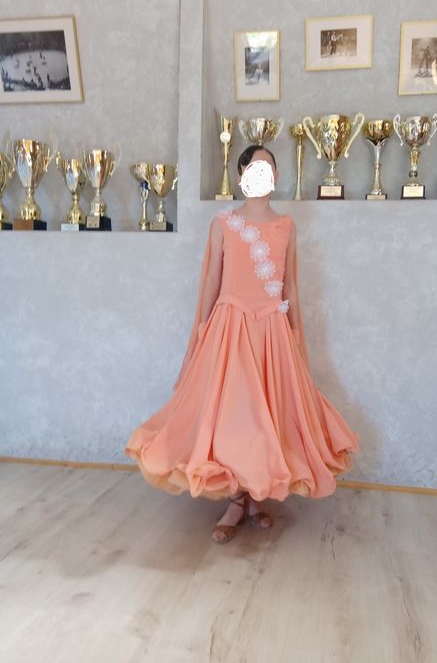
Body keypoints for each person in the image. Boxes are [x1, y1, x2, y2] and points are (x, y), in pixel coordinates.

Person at [125, 145, 360, 544]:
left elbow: (290, 287)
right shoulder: (224, 224)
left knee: (267, 419)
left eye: (268, 168)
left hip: (272, 332)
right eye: (254, 169)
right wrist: (201, 332)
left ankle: (252, 499)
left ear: (276, 177)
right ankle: (236, 502)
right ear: (240, 177)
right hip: (230, 332)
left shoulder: (286, 226)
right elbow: (211, 283)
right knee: (234, 419)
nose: (261, 175)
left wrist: (294, 337)